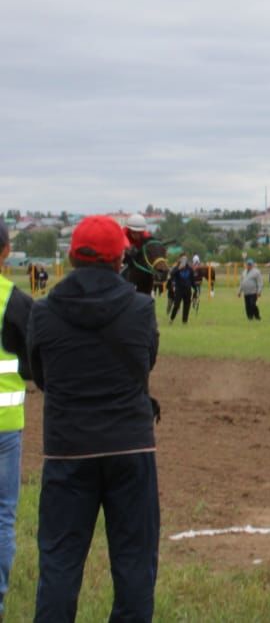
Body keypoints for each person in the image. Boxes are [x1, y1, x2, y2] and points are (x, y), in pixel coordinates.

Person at [27, 214, 160, 620]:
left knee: (60, 564)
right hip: (131, 449)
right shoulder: (141, 309)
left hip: (68, 451)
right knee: (134, 563)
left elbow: (42, 374)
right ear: (120, 259)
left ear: (71, 258)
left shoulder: (43, 312)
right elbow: (144, 365)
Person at [0, 220, 33, 619]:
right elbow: (33, 359)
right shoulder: (15, 299)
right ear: (7, 251)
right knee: (3, 514)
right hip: (7, 422)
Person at [166, 254, 195, 324]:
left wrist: (196, 290)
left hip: (188, 290)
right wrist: (179, 268)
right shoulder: (176, 268)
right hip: (179, 290)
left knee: (187, 305)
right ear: (180, 260)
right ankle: (171, 319)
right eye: (182, 259)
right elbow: (171, 274)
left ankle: (184, 321)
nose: (184, 260)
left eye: (185, 259)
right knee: (176, 305)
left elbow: (192, 280)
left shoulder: (190, 269)